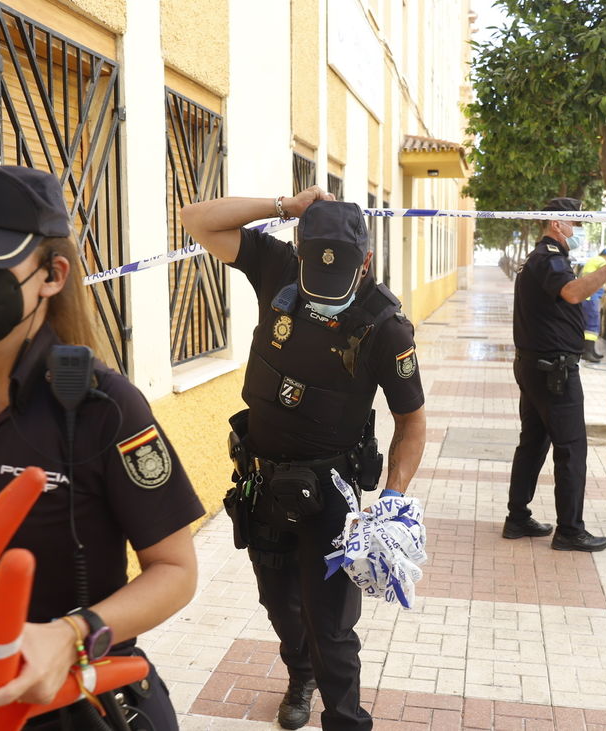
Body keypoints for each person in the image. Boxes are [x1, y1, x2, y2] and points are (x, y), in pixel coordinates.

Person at [0, 166, 204, 730]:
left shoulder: (106, 409)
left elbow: (174, 570)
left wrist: (72, 634)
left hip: (69, 699)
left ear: (52, 275)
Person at [179, 189, 427, 731]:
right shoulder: (277, 267)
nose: (325, 285)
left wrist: (392, 498)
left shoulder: (385, 326)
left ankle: (344, 718)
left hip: (331, 495)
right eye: (315, 264)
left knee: (330, 623)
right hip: (262, 484)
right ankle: (300, 674)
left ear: (364, 261)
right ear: (300, 248)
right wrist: (283, 204)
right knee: (277, 600)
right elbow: (195, 219)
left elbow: (412, 423)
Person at [504, 197, 606, 550]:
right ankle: (570, 530)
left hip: (533, 368)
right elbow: (572, 293)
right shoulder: (550, 260)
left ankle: (517, 517)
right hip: (553, 373)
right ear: (557, 224)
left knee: (533, 444)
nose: (579, 230)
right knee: (571, 450)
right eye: (576, 223)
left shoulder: (535, 260)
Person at [579, 246, 606, 362]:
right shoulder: (602, 261)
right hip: (591, 297)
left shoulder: (594, 260)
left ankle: (590, 351)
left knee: (590, 325)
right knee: (592, 325)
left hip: (588, 296)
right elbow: (605, 274)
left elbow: (596, 280)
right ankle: (588, 352)